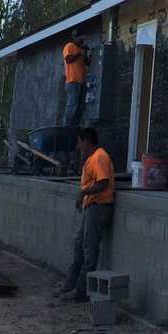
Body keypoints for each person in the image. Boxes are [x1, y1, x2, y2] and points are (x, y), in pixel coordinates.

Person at [54, 127, 115, 302]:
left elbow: (103, 183)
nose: (79, 147)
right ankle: (70, 284)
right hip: (92, 206)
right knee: (79, 245)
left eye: (80, 143)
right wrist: (84, 195)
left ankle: (80, 291)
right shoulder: (93, 159)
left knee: (89, 250)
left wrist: (83, 193)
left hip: (99, 206)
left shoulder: (100, 157)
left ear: (86, 141)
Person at [62, 30, 89, 127]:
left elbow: (87, 62)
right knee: (72, 106)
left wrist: (86, 52)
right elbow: (68, 60)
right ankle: (67, 126)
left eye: (83, 40)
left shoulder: (80, 49)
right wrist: (80, 53)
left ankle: (75, 127)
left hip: (82, 82)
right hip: (72, 81)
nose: (82, 41)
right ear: (75, 38)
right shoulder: (69, 46)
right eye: (81, 39)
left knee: (80, 107)